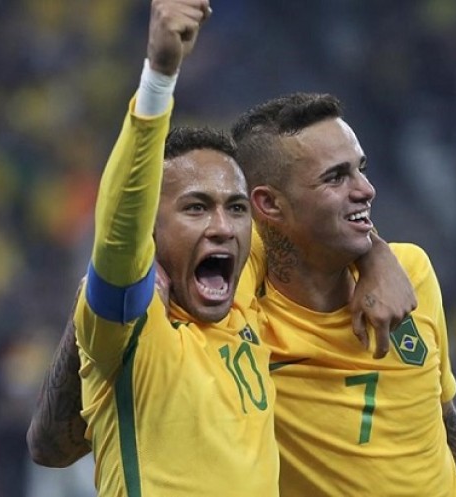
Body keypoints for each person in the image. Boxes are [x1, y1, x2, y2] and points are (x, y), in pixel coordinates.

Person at [49, 0, 282, 494]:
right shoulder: (130, 326)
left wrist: (374, 255)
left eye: (236, 208)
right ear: (151, 234)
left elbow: (320, 223)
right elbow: (118, 232)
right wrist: (159, 76)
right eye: (196, 207)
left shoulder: (246, 291)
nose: (222, 226)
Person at [231, 92, 456, 496]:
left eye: (360, 169)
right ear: (269, 203)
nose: (367, 189)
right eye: (335, 177)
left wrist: (375, 250)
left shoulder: (412, 272)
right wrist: (374, 250)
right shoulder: (241, 311)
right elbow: (224, 237)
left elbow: (445, 420)